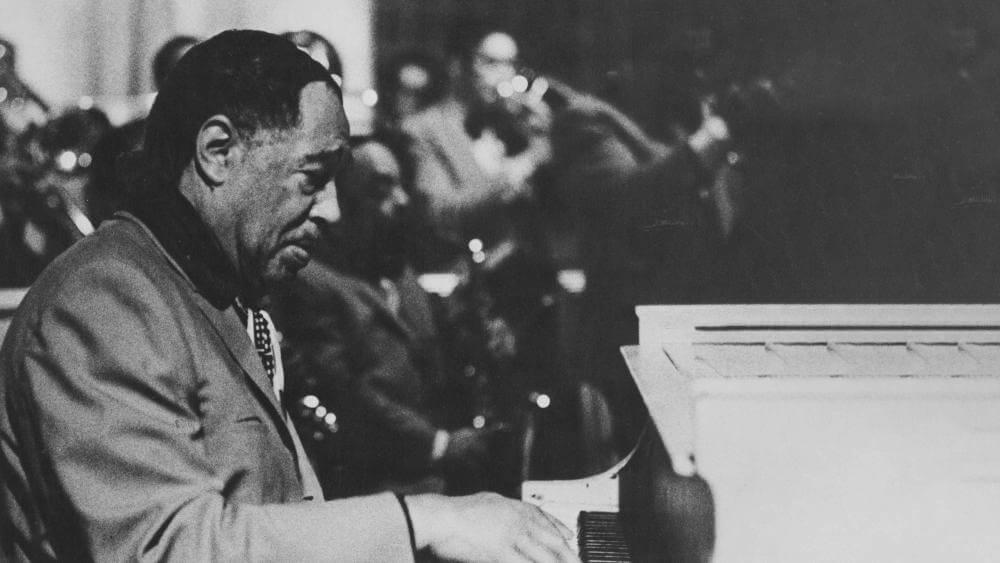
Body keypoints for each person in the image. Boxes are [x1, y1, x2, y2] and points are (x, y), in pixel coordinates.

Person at [0, 29, 577, 562]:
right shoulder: (102, 305)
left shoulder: (212, 283)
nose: (330, 210)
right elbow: (165, 548)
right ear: (218, 151)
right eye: (312, 177)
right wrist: (425, 520)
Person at [272, 135, 501, 498]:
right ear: (342, 203)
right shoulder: (310, 282)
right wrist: (440, 445)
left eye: (400, 186)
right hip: (386, 488)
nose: (402, 201)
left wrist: (472, 337)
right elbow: (346, 394)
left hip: (447, 471)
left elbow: (436, 361)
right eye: (381, 190)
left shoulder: (399, 269)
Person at [401, 26, 552, 271]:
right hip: (458, 277)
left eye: (510, 64)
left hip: (520, 276)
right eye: (491, 62)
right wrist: (516, 173)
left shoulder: (511, 126)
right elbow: (438, 213)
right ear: (457, 65)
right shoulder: (422, 130)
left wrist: (542, 137)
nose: (505, 75)